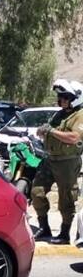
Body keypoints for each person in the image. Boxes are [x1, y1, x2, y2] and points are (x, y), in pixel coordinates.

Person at [31, 79, 83, 245]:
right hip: (50, 159)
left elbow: (75, 138)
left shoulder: (79, 115)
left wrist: (51, 131)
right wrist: (43, 131)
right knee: (36, 191)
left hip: (67, 162)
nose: (60, 101)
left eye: (63, 98)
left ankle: (64, 233)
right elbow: (49, 131)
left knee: (66, 198)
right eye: (60, 98)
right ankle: (44, 227)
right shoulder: (60, 114)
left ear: (74, 99)